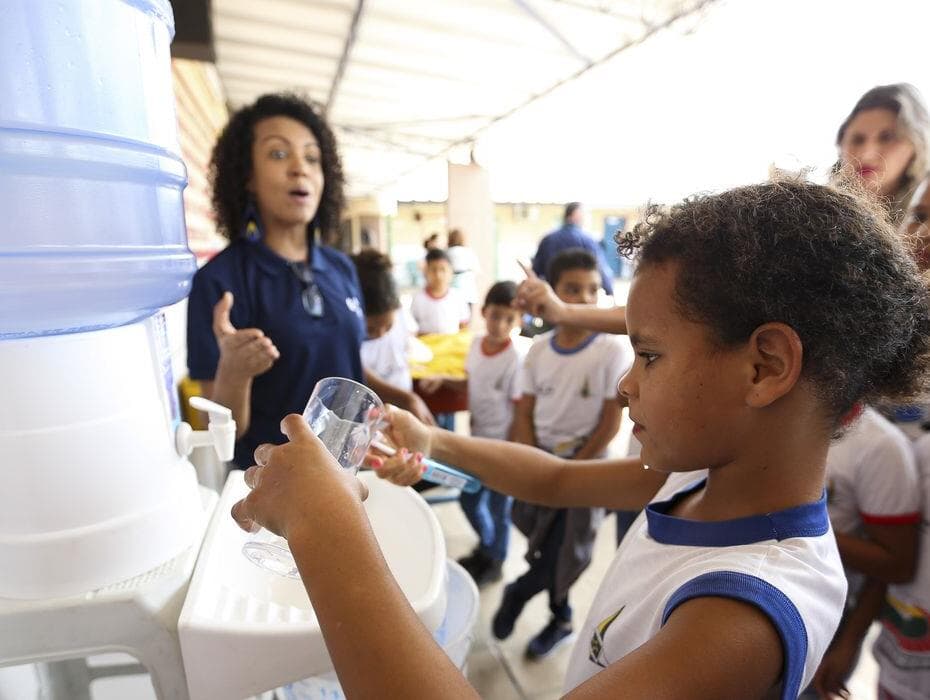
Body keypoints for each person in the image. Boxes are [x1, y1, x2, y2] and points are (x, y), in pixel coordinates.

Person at [231, 181, 930, 699]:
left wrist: (327, 526)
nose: (628, 385)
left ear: (765, 367)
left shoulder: (744, 612)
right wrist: (435, 443)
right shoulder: (701, 483)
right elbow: (555, 480)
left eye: (649, 355)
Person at [186, 93, 429, 468]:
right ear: (247, 176)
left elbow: (340, 363)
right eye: (279, 154)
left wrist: (401, 397)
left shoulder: (341, 268)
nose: (300, 168)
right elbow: (221, 437)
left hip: (348, 475)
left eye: (312, 158)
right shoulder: (219, 281)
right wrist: (234, 373)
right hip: (272, 489)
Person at [495, 248, 629, 659]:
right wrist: (535, 463)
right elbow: (524, 414)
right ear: (551, 293)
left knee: (569, 553)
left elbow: (609, 423)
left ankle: (520, 591)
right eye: (572, 290)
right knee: (545, 544)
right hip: (541, 464)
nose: (585, 299)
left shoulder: (610, 350)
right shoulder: (538, 350)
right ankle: (562, 617)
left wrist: (568, 472)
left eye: (593, 290)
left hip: (587, 468)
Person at [806, 406, 921, 698]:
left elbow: (897, 563)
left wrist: (849, 641)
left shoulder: (880, 445)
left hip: (826, 616)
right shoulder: (778, 421)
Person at [419, 281, 525, 585]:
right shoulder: (476, 345)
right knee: (469, 497)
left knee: (498, 506)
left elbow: (519, 409)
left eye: (509, 319)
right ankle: (487, 546)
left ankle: (496, 560)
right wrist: (441, 379)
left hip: (503, 445)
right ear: (483, 312)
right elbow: (470, 383)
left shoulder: (515, 358)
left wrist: (514, 452)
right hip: (476, 440)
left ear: (518, 322)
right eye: (495, 316)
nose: (499, 325)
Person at [352, 249, 433, 424]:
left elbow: (407, 346)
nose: (381, 334)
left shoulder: (401, 314)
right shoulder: (348, 334)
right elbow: (359, 373)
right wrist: (407, 398)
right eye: (371, 329)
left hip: (403, 410)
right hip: (368, 419)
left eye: (388, 326)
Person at [834, 83, 930, 225]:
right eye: (857, 140)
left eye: (887, 138)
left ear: (917, 146)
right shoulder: (812, 212)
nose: (866, 155)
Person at [531, 202, 615, 297]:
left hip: (551, 297)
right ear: (576, 215)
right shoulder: (588, 240)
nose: (586, 219)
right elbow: (600, 267)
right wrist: (609, 291)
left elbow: (536, 271)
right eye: (584, 215)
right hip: (578, 301)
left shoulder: (547, 239)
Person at [410, 248, 471, 335]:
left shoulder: (457, 297)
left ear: (451, 272)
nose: (438, 275)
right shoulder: (418, 298)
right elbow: (413, 328)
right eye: (433, 270)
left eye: (443, 269)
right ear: (426, 272)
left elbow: (464, 327)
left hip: (451, 346)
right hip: (427, 345)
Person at [446, 228, 481, 309]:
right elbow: (477, 270)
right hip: (468, 290)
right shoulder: (469, 252)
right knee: (466, 318)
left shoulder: (447, 252)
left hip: (451, 290)